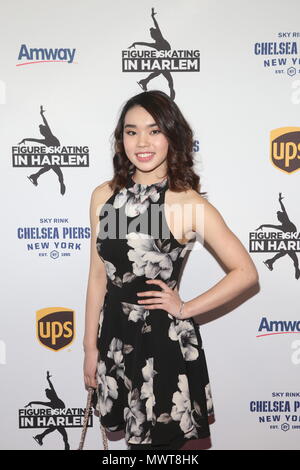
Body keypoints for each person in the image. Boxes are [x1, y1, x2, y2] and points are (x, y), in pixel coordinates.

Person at [83, 90, 259, 450]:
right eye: (132, 132)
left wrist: (184, 308)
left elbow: (245, 272)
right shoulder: (105, 196)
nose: (142, 142)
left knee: (159, 447)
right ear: (121, 139)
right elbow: (98, 274)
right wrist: (90, 347)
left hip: (160, 339)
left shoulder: (186, 202)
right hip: (114, 336)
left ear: (171, 136)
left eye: (153, 131)